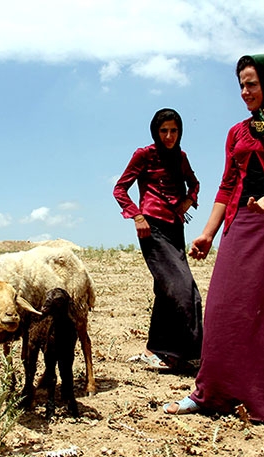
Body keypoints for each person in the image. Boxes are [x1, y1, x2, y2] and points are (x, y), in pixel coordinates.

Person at [163, 54, 264, 424]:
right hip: (237, 228)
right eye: (241, 85)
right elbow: (226, 186)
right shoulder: (237, 132)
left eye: (251, 84)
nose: (245, 92)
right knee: (224, 309)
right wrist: (207, 233)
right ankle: (208, 393)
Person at [113, 108, 202, 372]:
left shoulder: (181, 157)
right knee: (184, 290)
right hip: (152, 229)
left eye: (174, 130)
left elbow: (194, 183)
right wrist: (137, 217)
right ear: (155, 131)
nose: (169, 136)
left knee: (166, 289)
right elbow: (120, 188)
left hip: (175, 230)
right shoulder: (144, 154)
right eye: (164, 131)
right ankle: (189, 354)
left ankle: (155, 350)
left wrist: (188, 200)